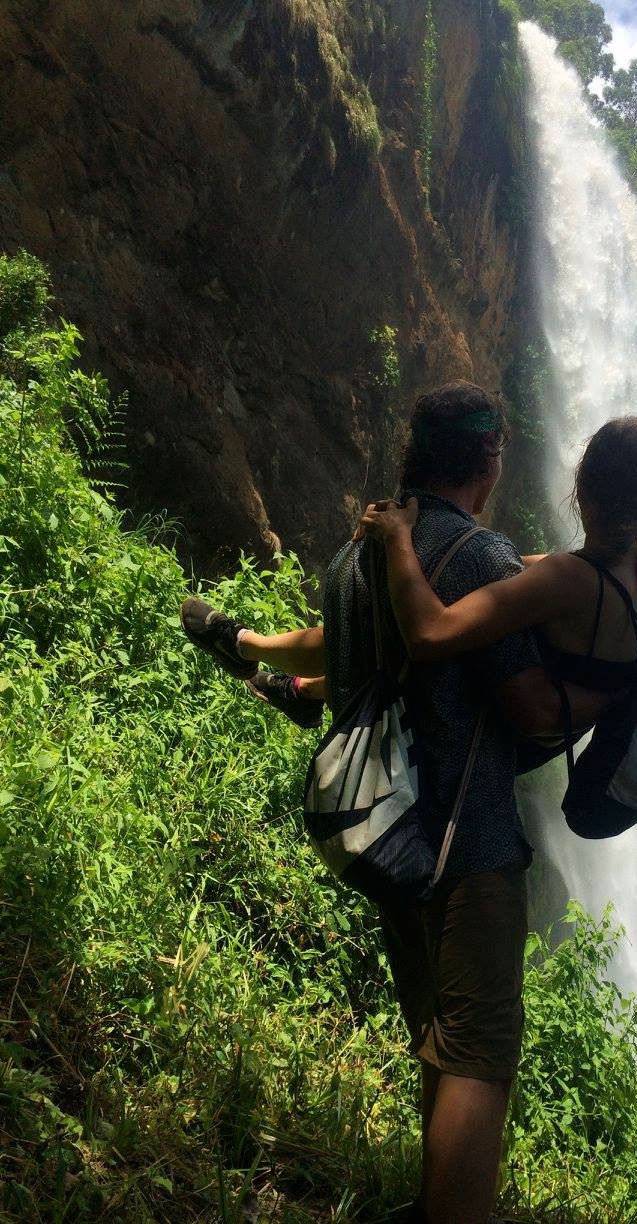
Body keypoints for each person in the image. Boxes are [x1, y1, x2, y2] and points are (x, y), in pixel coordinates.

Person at [181, 380, 609, 1224]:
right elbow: (525, 706)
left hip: (388, 837)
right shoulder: (482, 557)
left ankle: (431, 1202)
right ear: (486, 463)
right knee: (481, 1055)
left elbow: (352, 666)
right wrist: (615, 695)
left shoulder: (351, 561)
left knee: (438, 1038)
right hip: (469, 841)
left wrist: (280, 666)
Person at [359, 416, 637, 714]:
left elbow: (427, 635)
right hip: (597, 756)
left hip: (483, 755)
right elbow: (552, 568)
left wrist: (398, 536)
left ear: (582, 486)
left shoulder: (564, 581)